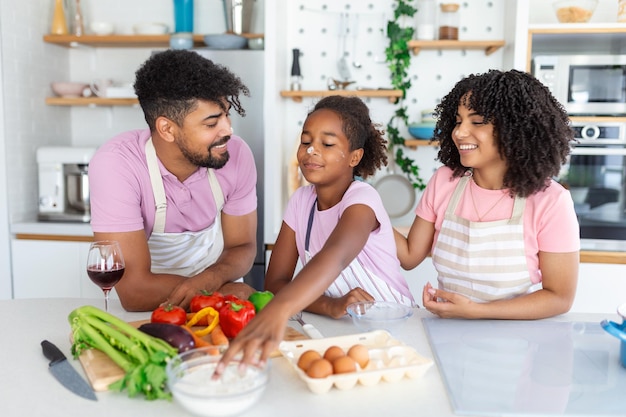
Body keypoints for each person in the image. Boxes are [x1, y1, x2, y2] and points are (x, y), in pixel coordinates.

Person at [216, 95, 414, 373]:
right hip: (335, 330)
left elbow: (336, 257)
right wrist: (330, 305)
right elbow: (275, 284)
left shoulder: (362, 201)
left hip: (396, 334)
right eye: (306, 141)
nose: (311, 151)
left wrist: (277, 312)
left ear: (354, 157)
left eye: (327, 144)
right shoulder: (301, 202)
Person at [394, 69, 580, 320]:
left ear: (515, 127)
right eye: (458, 121)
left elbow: (559, 297)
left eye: (477, 121)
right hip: (446, 334)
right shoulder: (445, 182)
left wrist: (477, 312)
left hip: (515, 344)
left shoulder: (550, 201)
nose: (459, 132)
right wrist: (364, 204)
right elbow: (408, 256)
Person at [88, 49, 258, 312]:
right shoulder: (117, 164)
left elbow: (242, 246)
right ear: (167, 129)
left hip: (225, 309)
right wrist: (220, 292)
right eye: (212, 123)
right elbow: (134, 292)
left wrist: (212, 279)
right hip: (155, 312)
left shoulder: (236, 154)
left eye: (227, 114)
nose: (228, 130)